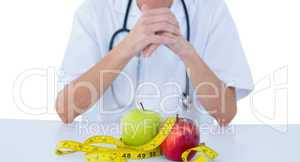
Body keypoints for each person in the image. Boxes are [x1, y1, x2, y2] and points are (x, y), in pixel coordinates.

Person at [56, 0, 254, 126]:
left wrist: (185, 50)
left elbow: (225, 114)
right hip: (109, 161)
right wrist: (127, 46)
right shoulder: (94, 12)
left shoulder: (211, 10)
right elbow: (66, 110)